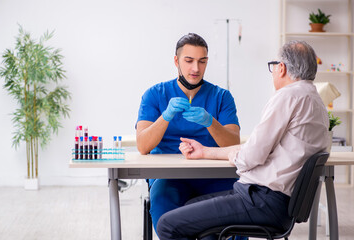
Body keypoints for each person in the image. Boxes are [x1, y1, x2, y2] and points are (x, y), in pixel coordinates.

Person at [156, 40, 329, 240]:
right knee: (190, 210)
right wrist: (205, 151)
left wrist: (238, 155)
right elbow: (258, 148)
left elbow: (251, 156)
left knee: (168, 225)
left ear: (281, 68)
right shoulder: (316, 101)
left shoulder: (287, 97)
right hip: (278, 203)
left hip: (261, 200)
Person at [136, 33, 241, 234]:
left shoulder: (222, 97)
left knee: (234, 213)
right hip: (168, 177)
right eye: (189, 61)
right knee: (164, 214)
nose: (196, 68)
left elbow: (233, 142)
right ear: (176, 61)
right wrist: (165, 116)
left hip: (215, 175)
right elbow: (142, 146)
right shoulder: (155, 94)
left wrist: (210, 122)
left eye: (202, 61)